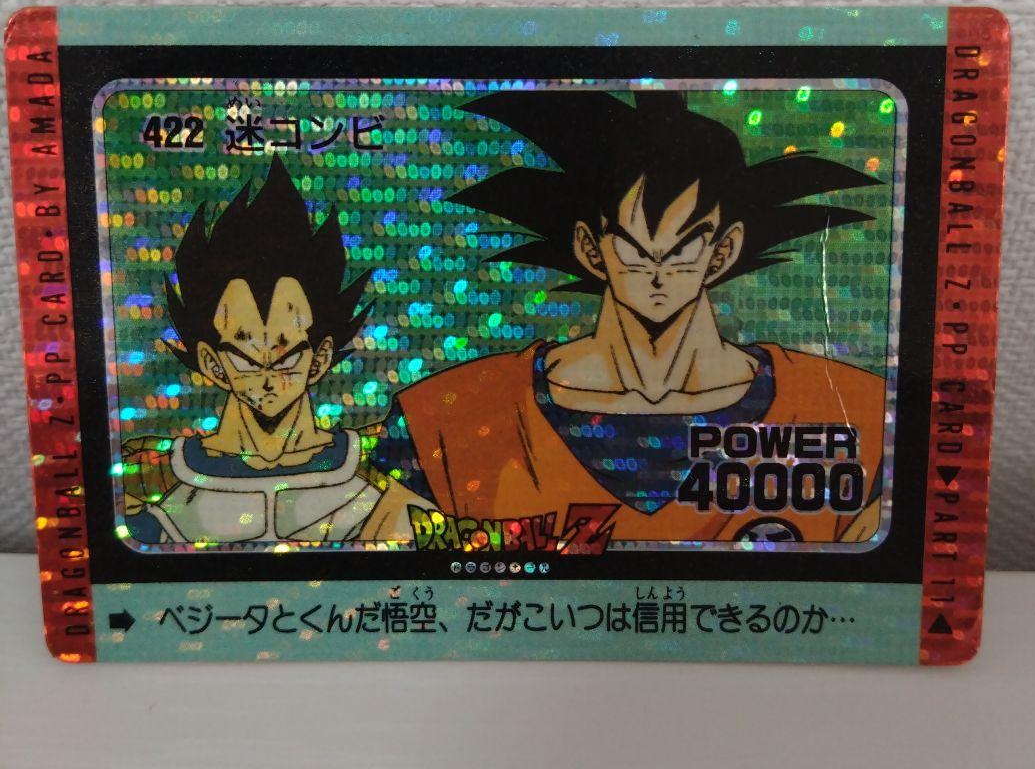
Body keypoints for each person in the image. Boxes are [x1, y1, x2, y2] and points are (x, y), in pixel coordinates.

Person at [369, 90, 886, 546]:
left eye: (683, 247)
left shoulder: (853, 413)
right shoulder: (450, 418)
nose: (658, 273)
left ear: (723, 251)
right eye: (635, 249)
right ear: (591, 249)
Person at [122, 157, 427, 545]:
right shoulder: (152, 476)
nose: (267, 377)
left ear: (319, 359)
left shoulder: (381, 471)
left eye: (286, 358)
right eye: (245, 359)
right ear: (212, 363)